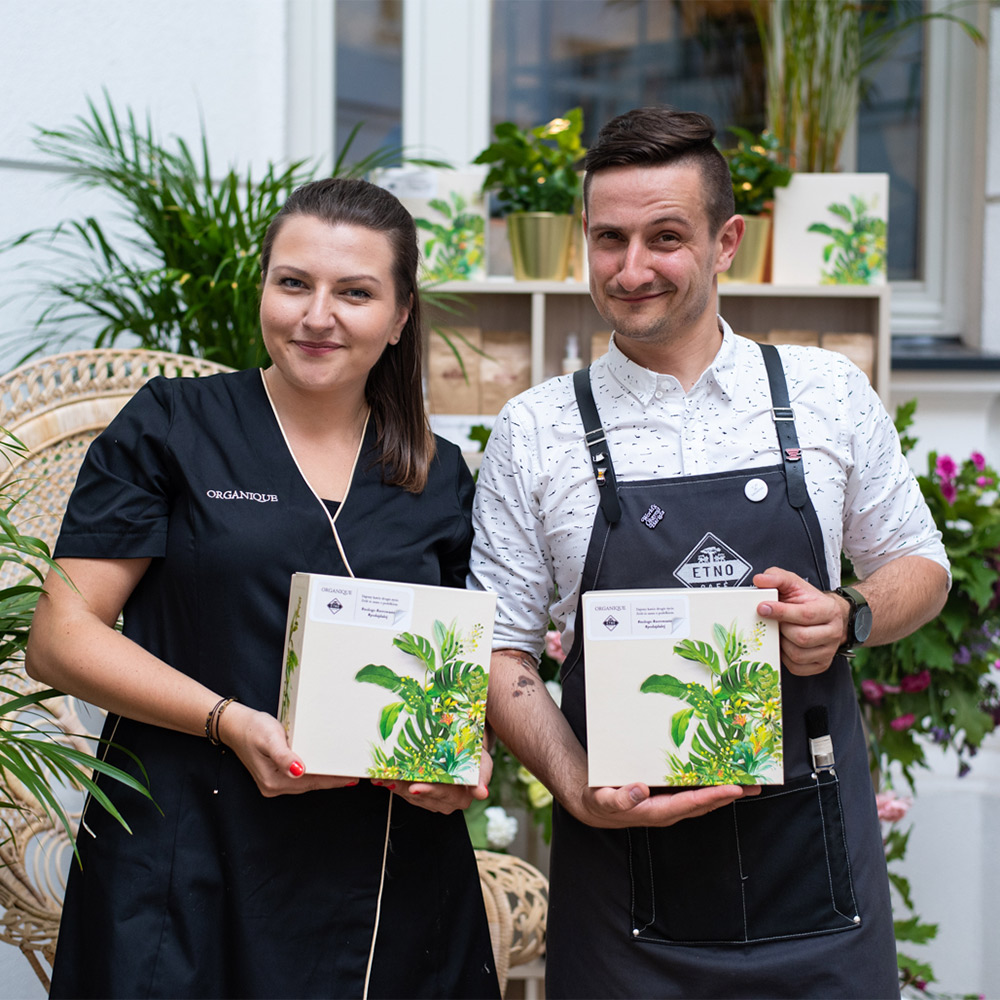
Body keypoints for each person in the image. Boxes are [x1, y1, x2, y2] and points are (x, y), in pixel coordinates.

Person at [469, 107, 950, 999]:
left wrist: (850, 614)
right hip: (623, 895)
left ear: (727, 242)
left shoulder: (827, 393)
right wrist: (574, 786)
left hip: (817, 874)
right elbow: (499, 649)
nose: (631, 269)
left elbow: (921, 564)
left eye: (665, 237)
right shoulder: (535, 430)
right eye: (608, 239)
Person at [26, 177, 500, 1000]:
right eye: (294, 283)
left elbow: (462, 670)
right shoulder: (172, 425)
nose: (317, 315)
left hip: (386, 878)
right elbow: (60, 638)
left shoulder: (439, 475)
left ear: (400, 316)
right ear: (264, 291)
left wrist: (466, 761)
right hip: (185, 857)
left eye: (355, 293)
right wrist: (230, 721)